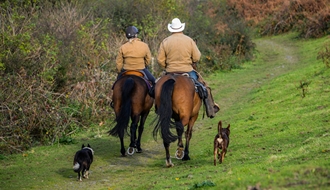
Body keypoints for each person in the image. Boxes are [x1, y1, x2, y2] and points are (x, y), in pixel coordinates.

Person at [157, 18, 219, 117]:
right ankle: (211, 109)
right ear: (181, 28)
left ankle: (158, 108)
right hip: (187, 70)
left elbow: (160, 60)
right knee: (204, 87)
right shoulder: (189, 40)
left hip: (170, 71)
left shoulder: (165, 41)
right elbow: (197, 57)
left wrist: (168, 67)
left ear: (171, 29)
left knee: (156, 87)